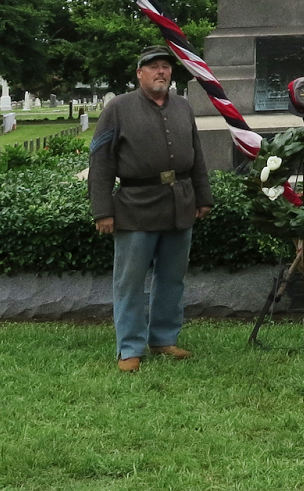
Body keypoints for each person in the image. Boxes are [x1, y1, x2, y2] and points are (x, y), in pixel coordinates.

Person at [88, 46, 213, 372]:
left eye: (166, 67)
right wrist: (102, 210)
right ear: (139, 73)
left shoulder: (184, 107)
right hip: (136, 206)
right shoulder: (118, 108)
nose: (161, 72)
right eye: (154, 67)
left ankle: (163, 339)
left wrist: (203, 197)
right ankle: (129, 347)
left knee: (172, 279)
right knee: (129, 282)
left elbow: (197, 156)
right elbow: (100, 162)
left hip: (179, 204)